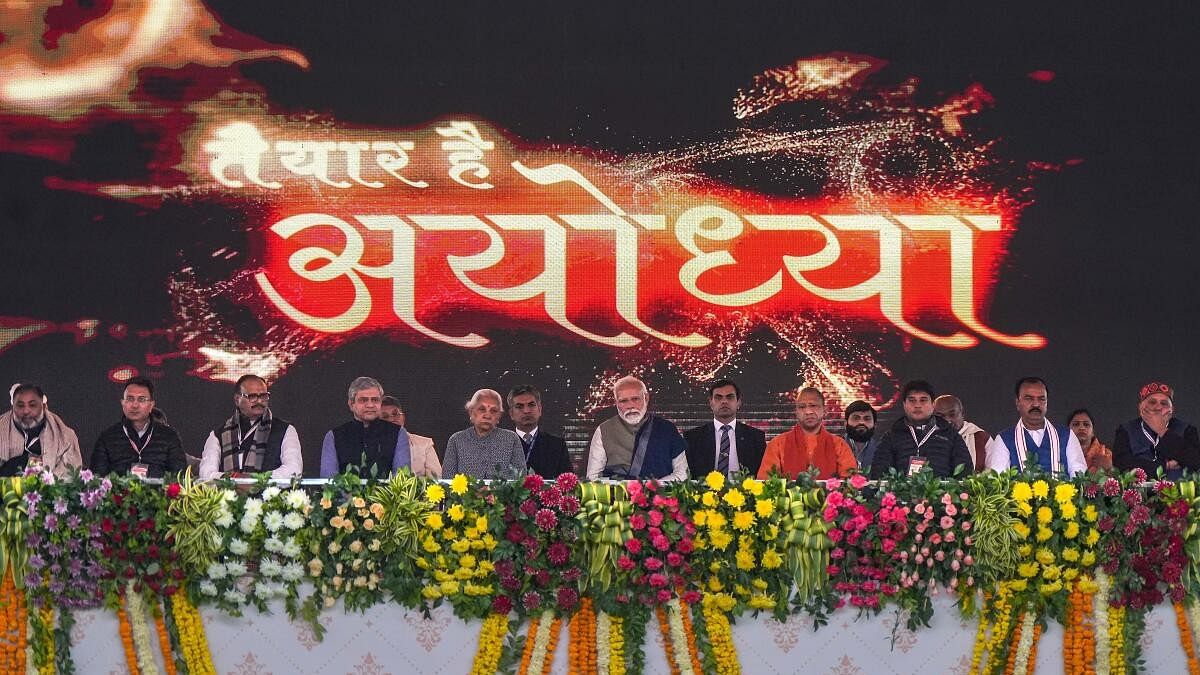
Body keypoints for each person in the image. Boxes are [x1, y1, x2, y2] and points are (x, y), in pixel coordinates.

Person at [319, 377, 441, 478]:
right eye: (363, 400)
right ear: (351, 405)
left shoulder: (397, 433)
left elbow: (401, 477)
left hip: (387, 504)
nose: (370, 405)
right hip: (345, 506)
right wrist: (353, 504)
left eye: (375, 400)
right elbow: (329, 480)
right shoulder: (334, 436)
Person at [198, 375, 302, 480]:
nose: (259, 401)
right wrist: (232, 479)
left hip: (269, 495)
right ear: (237, 399)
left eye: (263, 396)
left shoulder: (285, 430)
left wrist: (256, 480)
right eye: (252, 396)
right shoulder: (217, 435)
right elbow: (206, 473)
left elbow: (294, 470)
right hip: (228, 495)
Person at [586, 376, 688, 481]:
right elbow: (593, 477)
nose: (630, 406)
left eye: (635, 399)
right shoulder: (604, 430)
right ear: (616, 403)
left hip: (661, 494)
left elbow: (682, 473)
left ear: (646, 398)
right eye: (623, 401)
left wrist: (654, 488)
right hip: (617, 494)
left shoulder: (667, 429)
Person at [985, 377, 1086, 476]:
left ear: (1047, 402)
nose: (1036, 404)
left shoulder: (1066, 435)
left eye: (1042, 399)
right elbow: (998, 481)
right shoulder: (1004, 439)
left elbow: (1079, 476)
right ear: (1017, 403)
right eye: (1029, 398)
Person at [871, 381, 973, 479]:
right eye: (912, 400)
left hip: (942, 495)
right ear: (904, 405)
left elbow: (964, 472)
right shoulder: (891, 436)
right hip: (901, 495)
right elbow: (879, 473)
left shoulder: (951, 435)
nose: (917, 405)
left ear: (933, 405)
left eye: (923, 400)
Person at [91, 377, 186, 478]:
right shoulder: (107, 437)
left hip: (159, 493)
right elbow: (97, 478)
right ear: (122, 403)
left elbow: (179, 477)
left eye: (141, 399)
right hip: (119, 493)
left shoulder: (169, 436)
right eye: (130, 399)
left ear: (151, 405)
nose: (135, 405)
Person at [757, 387, 856, 480]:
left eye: (813, 406)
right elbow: (766, 484)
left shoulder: (840, 445)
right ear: (796, 412)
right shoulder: (777, 444)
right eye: (802, 407)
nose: (808, 411)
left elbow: (851, 485)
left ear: (824, 410)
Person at [1112, 382, 1200, 479]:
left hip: (1179, 492)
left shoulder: (1187, 430)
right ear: (1141, 407)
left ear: (1172, 409)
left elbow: (1195, 461)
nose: (1158, 407)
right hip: (1137, 492)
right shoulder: (1125, 430)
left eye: (1164, 403)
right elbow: (1121, 464)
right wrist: (1165, 466)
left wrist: (1161, 430)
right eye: (1152, 402)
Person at [684, 379, 766, 477]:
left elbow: (762, 476)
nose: (724, 401)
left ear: (738, 402)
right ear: (711, 403)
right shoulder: (693, 437)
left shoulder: (755, 437)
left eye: (730, 397)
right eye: (718, 397)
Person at [0, 384, 82, 477]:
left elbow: (71, 476)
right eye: (20, 405)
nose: (26, 411)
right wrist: (20, 463)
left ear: (43, 407)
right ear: (12, 408)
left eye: (32, 405)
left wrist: (44, 482)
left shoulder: (66, 436)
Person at [443, 389, 525, 479]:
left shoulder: (511, 439)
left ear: (499, 416)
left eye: (493, 411)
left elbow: (520, 480)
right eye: (482, 409)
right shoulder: (456, 440)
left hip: (501, 493)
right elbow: (447, 480)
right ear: (471, 411)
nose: (487, 416)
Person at [508, 385, 573, 478]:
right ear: (511, 414)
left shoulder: (557, 445)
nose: (526, 411)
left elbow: (568, 481)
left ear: (540, 409)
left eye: (531, 405)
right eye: (519, 406)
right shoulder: (501, 445)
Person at [933, 394, 989, 472]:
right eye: (940, 416)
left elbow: (994, 473)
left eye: (952, 415)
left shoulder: (981, 437)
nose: (948, 421)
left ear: (962, 414)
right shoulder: (926, 438)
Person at [380, 394, 441, 465]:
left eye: (395, 414)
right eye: (385, 416)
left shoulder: (425, 444)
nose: (391, 419)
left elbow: (436, 476)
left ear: (403, 417)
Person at [1068, 408, 1112, 473]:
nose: (1081, 428)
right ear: (1068, 431)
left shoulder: (1106, 454)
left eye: (1086, 424)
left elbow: (1117, 481)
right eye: (1076, 424)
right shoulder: (1060, 453)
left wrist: (1109, 468)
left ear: (1093, 432)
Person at [842, 400, 878, 470]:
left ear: (875, 425)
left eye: (867, 419)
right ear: (845, 423)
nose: (861, 422)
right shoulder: (834, 448)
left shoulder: (883, 450)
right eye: (856, 418)